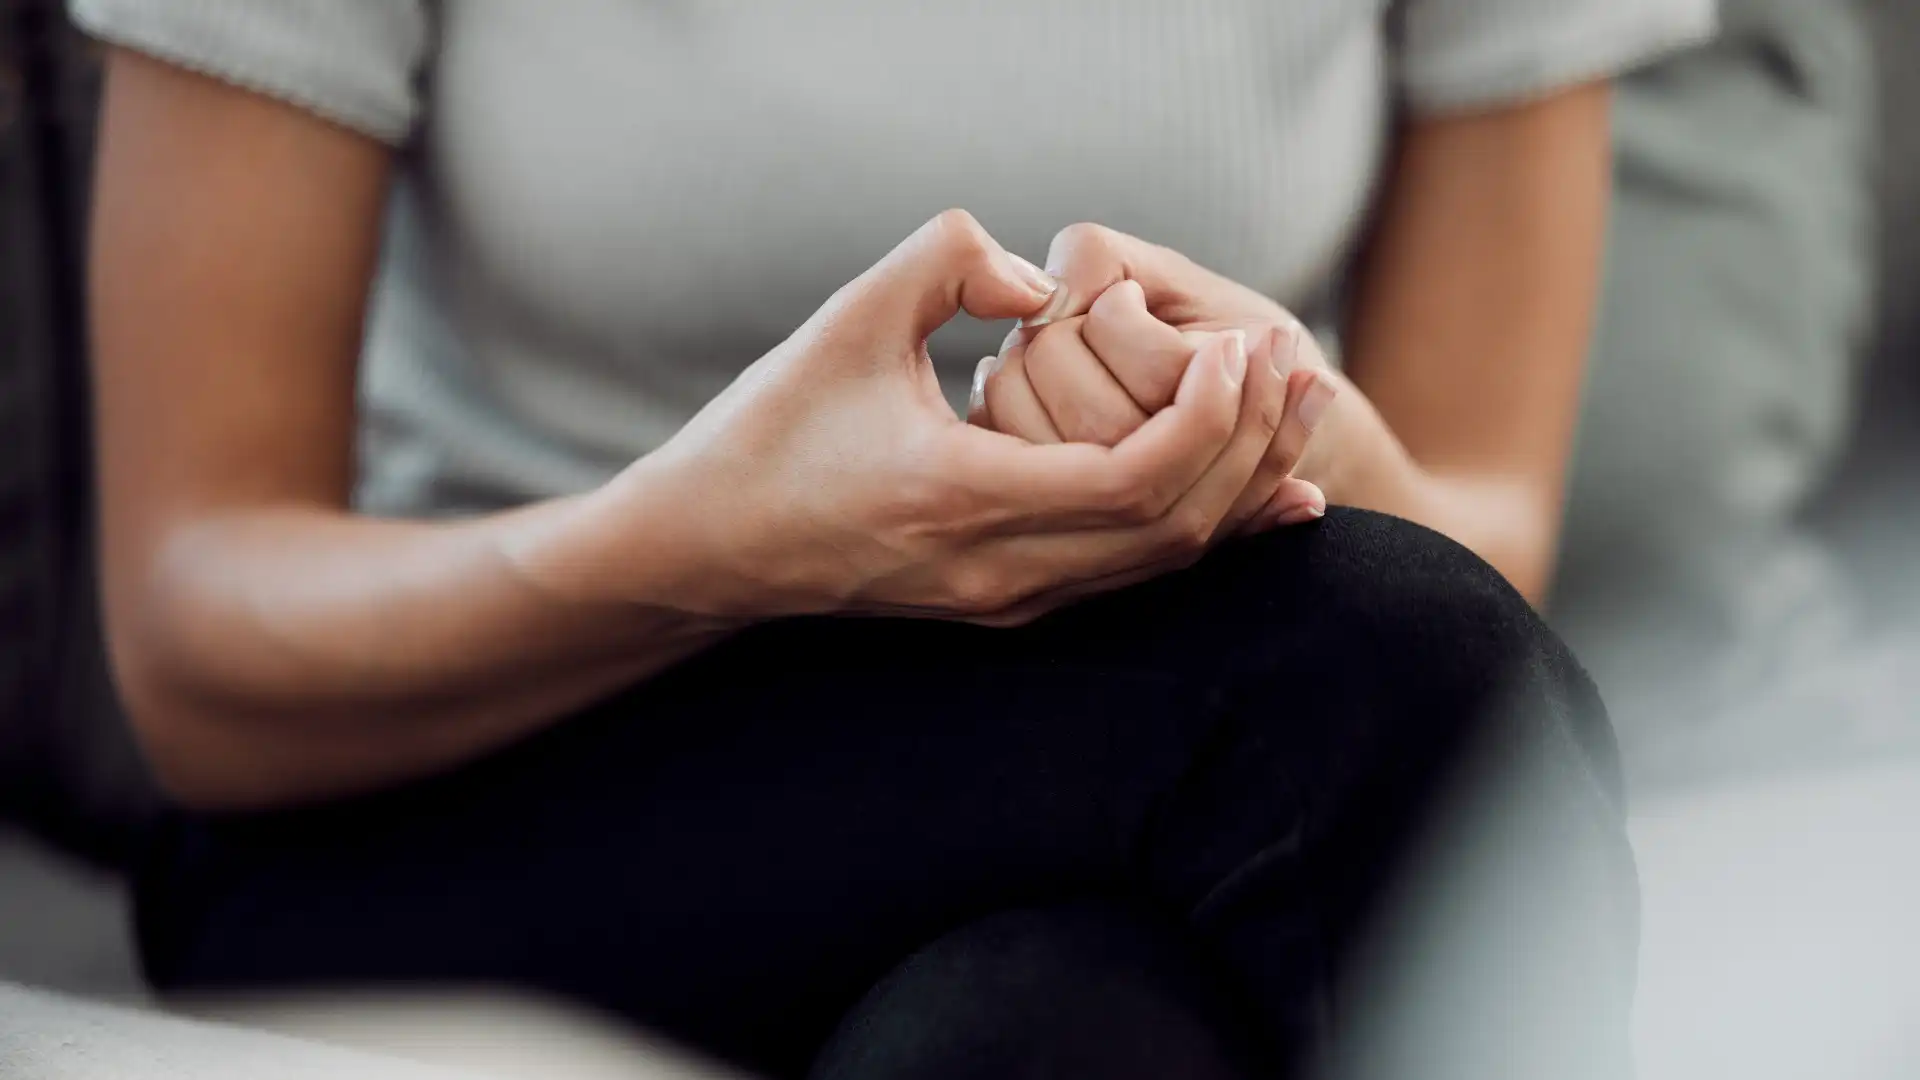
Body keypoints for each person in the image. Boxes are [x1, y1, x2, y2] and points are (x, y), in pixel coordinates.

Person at [71, 2, 1711, 1078]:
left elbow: (1489, 507)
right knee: (1376, 655)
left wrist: (1308, 435)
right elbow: (193, 646)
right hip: (462, 783)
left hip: (1103, 750)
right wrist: (698, 546)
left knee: (1054, 1036)